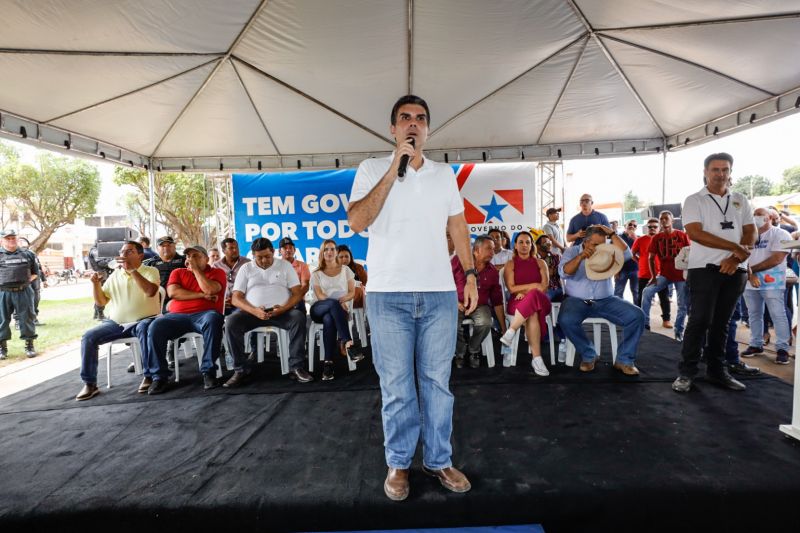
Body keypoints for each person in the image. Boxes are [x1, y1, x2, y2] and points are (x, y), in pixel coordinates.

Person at [348, 94, 475, 501]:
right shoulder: (371, 169)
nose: (413, 124)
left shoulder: (443, 174)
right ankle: (399, 463)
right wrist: (393, 170)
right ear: (393, 129)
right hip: (387, 294)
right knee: (398, 386)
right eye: (405, 118)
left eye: (421, 118)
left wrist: (470, 274)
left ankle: (438, 460)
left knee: (438, 383)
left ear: (428, 128)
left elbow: (458, 227)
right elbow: (357, 221)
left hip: (439, 292)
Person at [672, 153, 756, 393]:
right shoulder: (694, 200)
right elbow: (695, 233)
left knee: (723, 323)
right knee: (699, 321)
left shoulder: (740, 199)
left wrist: (736, 257)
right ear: (705, 172)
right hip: (704, 269)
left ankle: (718, 371)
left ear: (731, 173)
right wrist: (734, 247)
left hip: (736, 269)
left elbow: (751, 232)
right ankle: (686, 373)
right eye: (715, 169)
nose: (720, 174)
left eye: (725, 169)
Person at [75, 241, 160, 401]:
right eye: (122, 252)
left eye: (129, 252)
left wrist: (132, 271)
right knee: (89, 337)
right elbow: (101, 302)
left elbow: (150, 292)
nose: (123, 255)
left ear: (140, 255)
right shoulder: (115, 275)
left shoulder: (150, 271)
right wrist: (95, 285)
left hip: (144, 319)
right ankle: (90, 383)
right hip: (116, 323)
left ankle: (149, 376)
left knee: (145, 329)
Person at [223, 238, 312, 387]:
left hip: (281, 312)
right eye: (259, 257)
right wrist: (254, 311)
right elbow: (236, 299)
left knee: (298, 317)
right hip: (253, 313)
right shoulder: (246, 268)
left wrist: (283, 308)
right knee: (231, 322)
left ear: (273, 252)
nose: (264, 260)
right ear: (253, 255)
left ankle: (296, 367)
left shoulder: (285, 266)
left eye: (267, 256)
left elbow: (297, 293)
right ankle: (241, 370)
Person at [558, 225, 645, 375]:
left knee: (637, 316)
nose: (600, 248)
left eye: (603, 244)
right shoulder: (572, 251)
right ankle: (589, 354)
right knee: (566, 319)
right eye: (596, 244)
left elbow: (627, 254)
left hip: (607, 300)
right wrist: (580, 257)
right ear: (585, 242)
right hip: (577, 301)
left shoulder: (609, 251)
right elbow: (564, 273)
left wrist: (611, 233)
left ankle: (624, 360)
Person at [145, 245, 226, 394]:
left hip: (205, 314)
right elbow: (173, 292)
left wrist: (196, 270)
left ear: (206, 259)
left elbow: (210, 289)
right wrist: (201, 295)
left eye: (196, 256)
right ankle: (159, 377)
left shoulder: (217, 272)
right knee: (155, 326)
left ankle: (208, 371)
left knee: (214, 319)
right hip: (177, 316)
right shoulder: (178, 272)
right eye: (188, 256)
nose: (190, 260)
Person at [740, 207, 792, 364]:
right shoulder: (747, 235)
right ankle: (756, 344)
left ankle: (782, 348)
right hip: (750, 282)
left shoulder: (782, 234)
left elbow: (777, 258)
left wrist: (751, 271)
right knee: (754, 314)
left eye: (760, 215)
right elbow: (741, 255)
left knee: (778, 314)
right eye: (754, 214)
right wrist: (749, 274)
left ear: (770, 217)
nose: (756, 217)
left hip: (772, 283)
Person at [499, 231, 552, 376]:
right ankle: (537, 358)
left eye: (528, 242)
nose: (524, 245)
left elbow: (542, 287)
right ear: (515, 245)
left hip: (541, 302)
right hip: (517, 302)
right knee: (532, 312)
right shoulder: (510, 264)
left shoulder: (540, 263)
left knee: (534, 296)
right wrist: (532, 286)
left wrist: (526, 292)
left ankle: (512, 330)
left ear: (532, 245)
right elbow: (511, 288)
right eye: (520, 242)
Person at [310, 239, 363, 381]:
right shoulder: (316, 273)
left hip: (336, 311)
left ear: (336, 252)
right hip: (319, 308)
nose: (329, 252)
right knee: (330, 309)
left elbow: (352, 292)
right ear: (322, 252)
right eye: (326, 249)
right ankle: (349, 343)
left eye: (332, 249)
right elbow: (320, 295)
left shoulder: (346, 270)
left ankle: (328, 365)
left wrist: (343, 300)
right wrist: (338, 303)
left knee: (329, 319)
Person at [452, 235, 505, 369]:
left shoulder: (492, 271)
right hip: (457, 303)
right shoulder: (458, 261)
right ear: (476, 250)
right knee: (450, 323)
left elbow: (497, 301)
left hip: (480, 306)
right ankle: (460, 352)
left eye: (493, 249)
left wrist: (504, 328)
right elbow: (445, 282)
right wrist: (453, 301)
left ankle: (473, 350)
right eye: (489, 249)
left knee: (486, 322)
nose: (492, 253)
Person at [640, 211, 690, 340]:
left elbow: (691, 254)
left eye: (666, 218)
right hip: (665, 275)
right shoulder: (657, 238)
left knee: (682, 304)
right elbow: (650, 258)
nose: (663, 221)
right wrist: (653, 276)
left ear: (672, 220)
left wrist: (690, 274)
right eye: (661, 219)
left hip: (681, 276)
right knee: (647, 292)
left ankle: (678, 332)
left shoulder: (682, 235)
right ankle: (645, 326)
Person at [143, 235, 186, 371]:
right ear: (158, 248)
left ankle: (171, 351)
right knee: (141, 323)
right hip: (155, 301)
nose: (166, 247)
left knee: (175, 320)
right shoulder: (150, 263)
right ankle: (144, 358)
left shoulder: (184, 261)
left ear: (174, 246)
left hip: (177, 300)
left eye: (169, 245)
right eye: (163, 245)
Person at [0, 229, 39, 359]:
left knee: (27, 318)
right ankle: (2, 348)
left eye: (13, 238)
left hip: (24, 291)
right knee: (2, 320)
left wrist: (24, 282)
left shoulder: (28, 254)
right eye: (8, 238)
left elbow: (35, 273)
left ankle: (29, 346)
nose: (11, 240)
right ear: (2, 240)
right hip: (3, 293)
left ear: (17, 239)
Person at [631, 219, 671, 321]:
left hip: (661, 274)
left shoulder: (664, 238)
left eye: (655, 227)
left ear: (659, 228)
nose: (652, 228)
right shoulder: (640, 240)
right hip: (644, 274)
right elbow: (632, 254)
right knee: (642, 298)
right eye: (650, 227)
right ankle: (641, 319)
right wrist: (640, 261)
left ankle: (666, 319)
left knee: (664, 298)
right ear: (647, 228)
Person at [213, 237, 250, 316]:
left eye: (236, 247)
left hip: (241, 302)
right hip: (223, 302)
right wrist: (221, 301)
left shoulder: (247, 263)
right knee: (213, 316)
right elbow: (213, 287)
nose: (235, 250)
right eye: (231, 248)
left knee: (238, 317)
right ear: (224, 251)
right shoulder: (216, 266)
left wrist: (237, 299)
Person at [278, 237, 311, 313]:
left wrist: (293, 299)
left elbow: (305, 286)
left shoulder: (303, 265)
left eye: (290, 248)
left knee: (299, 306)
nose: (288, 250)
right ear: (280, 251)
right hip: (279, 300)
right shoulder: (274, 266)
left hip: (297, 300)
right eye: (285, 248)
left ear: (294, 250)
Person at [17, 237, 43, 325]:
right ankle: (20, 320)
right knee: (21, 300)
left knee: (36, 299)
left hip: (35, 281)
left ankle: (34, 318)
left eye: (23, 241)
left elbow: (38, 267)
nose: (22, 243)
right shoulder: (15, 254)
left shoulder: (32, 254)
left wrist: (44, 279)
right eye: (19, 241)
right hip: (22, 281)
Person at [614, 220, 639, 303]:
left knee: (636, 292)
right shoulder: (618, 237)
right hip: (621, 269)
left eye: (634, 226)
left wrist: (635, 238)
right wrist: (615, 270)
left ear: (636, 228)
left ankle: (638, 312)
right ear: (625, 225)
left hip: (636, 269)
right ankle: (619, 312)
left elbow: (642, 253)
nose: (632, 226)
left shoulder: (638, 238)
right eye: (630, 224)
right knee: (618, 293)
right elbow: (613, 253)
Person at [337, 244, 368, 309]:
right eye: (341, 257)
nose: (344, 259)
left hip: (356, 297)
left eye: (346, 256)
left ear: (350, 257)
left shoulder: (358, 268)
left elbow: (364, 282)